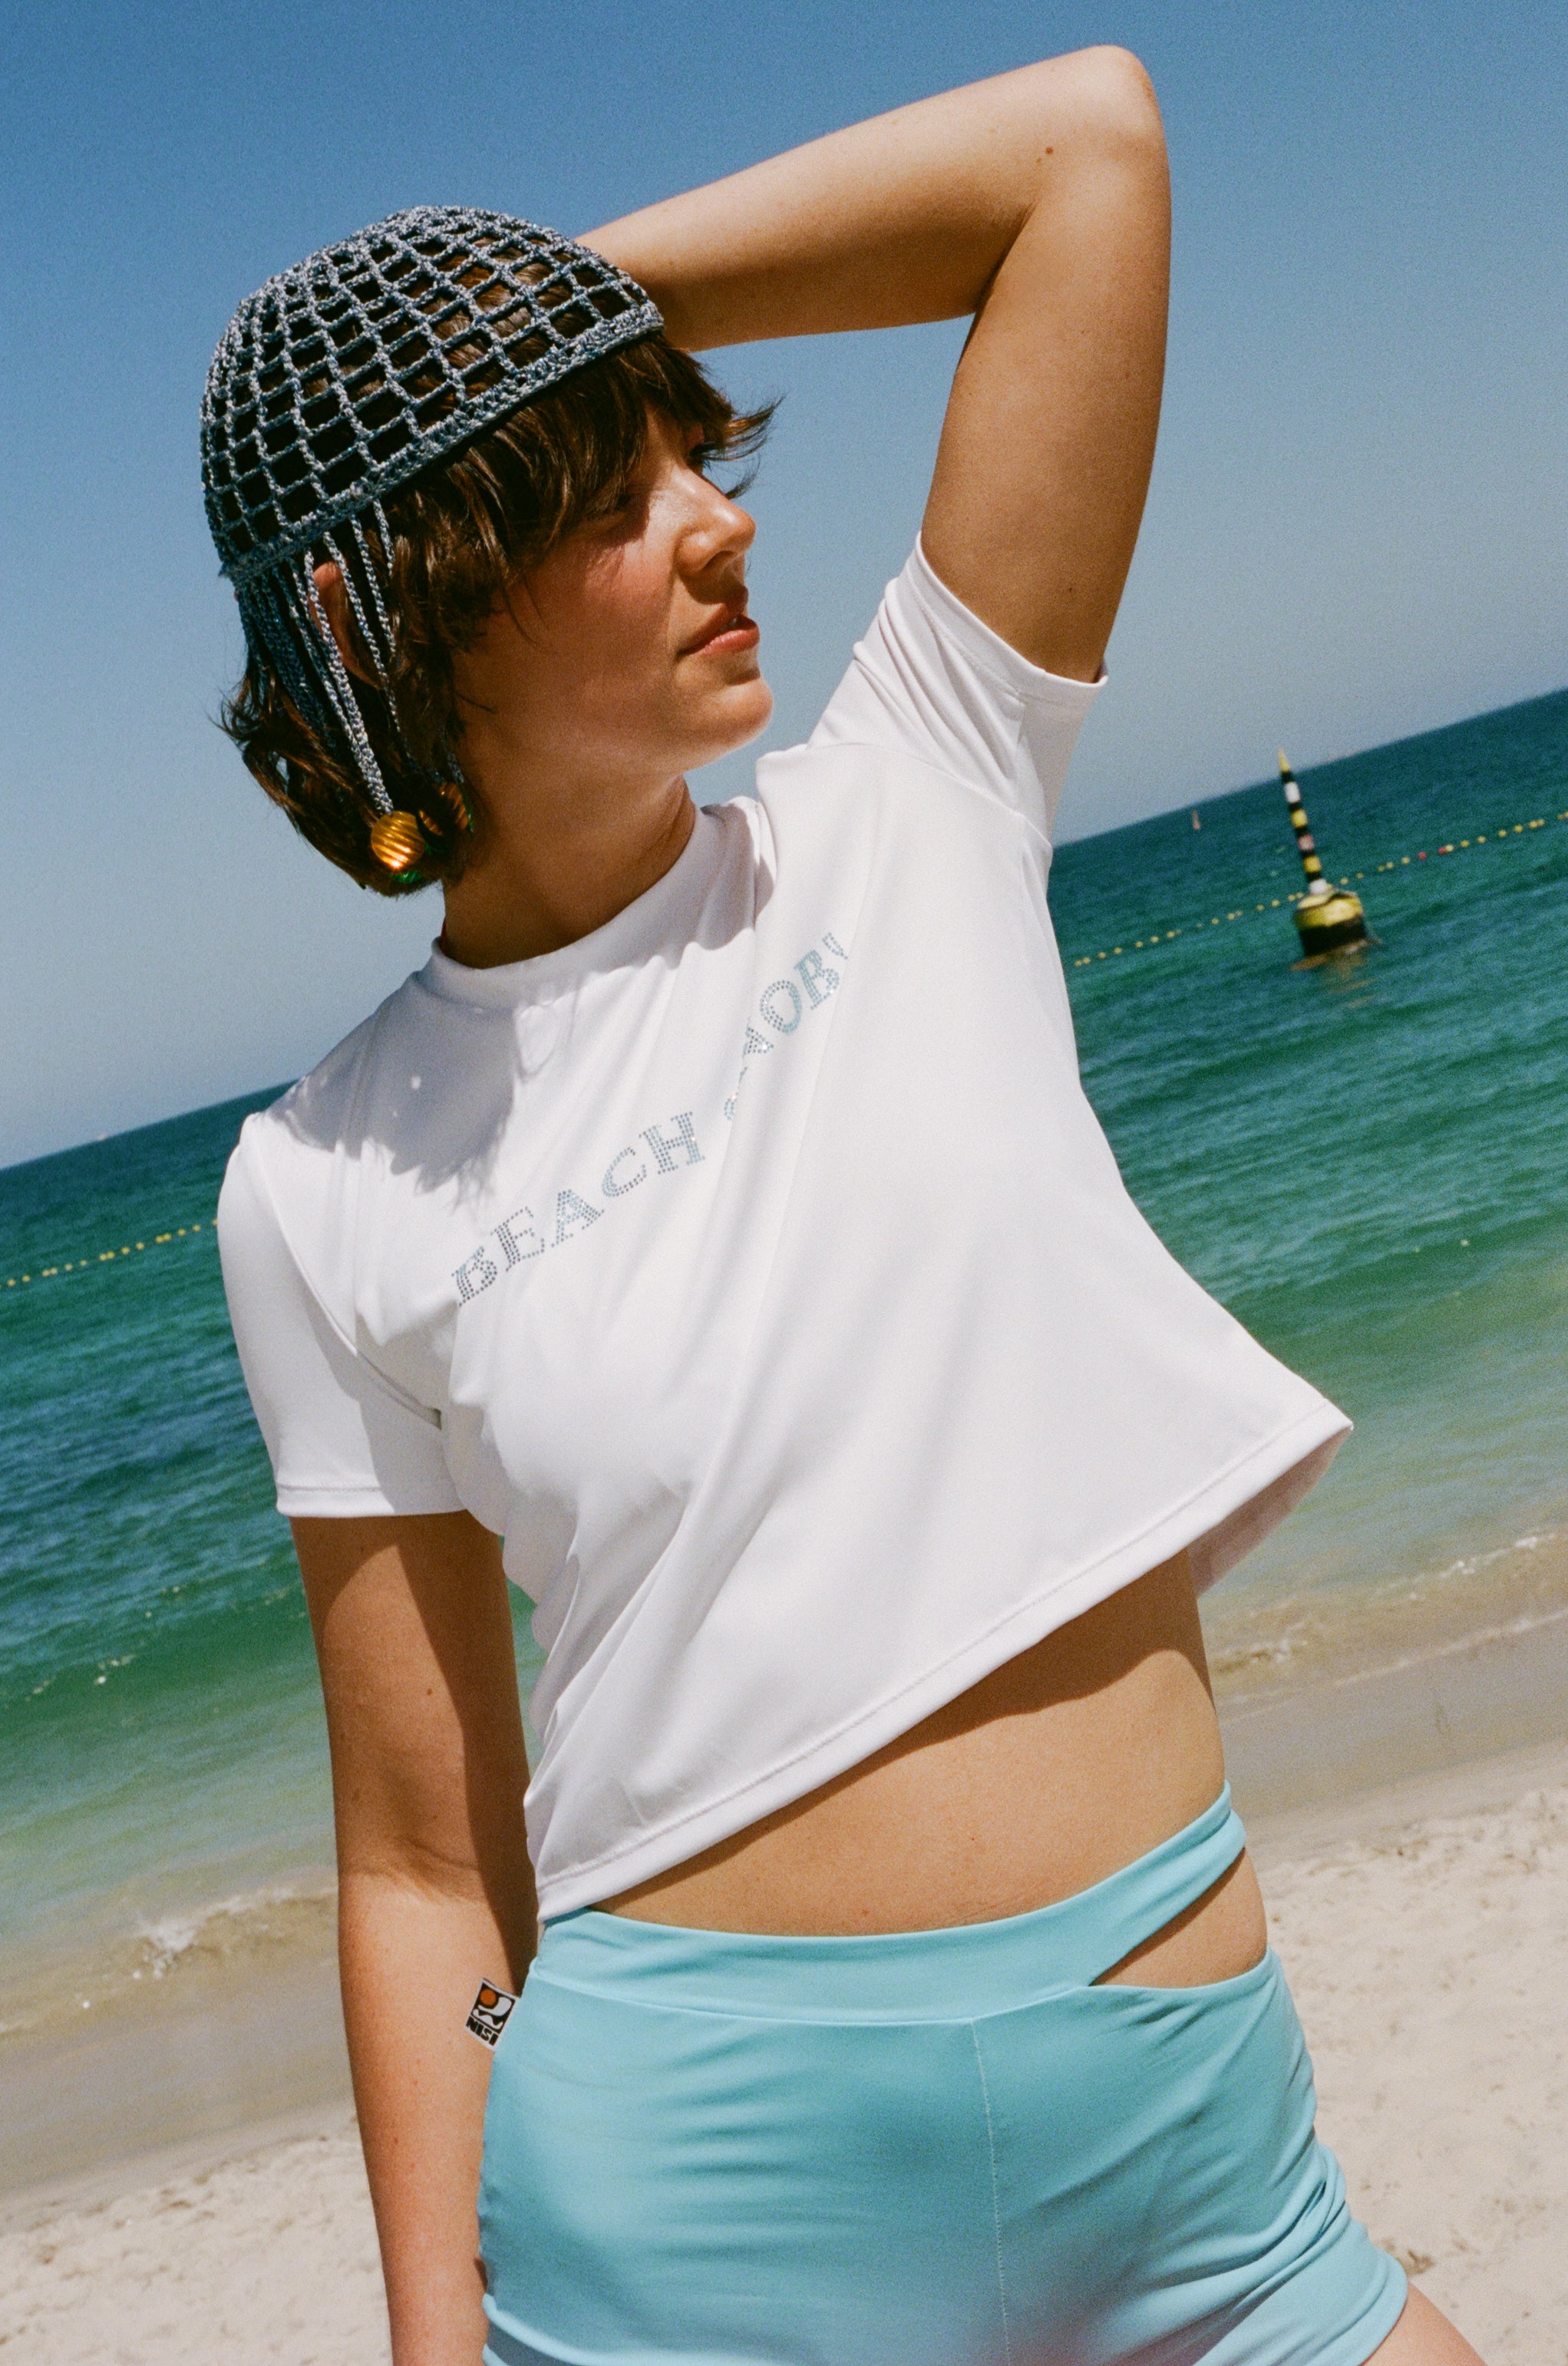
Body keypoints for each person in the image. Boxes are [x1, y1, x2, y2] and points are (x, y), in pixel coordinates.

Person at [206, 48, 1483, 2366]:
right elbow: (421, 1858)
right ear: (405, 604)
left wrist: (539, 323)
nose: (722, 522)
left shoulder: (921, 791)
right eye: (614, 492)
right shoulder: (317, 1182)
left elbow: (1083, 146)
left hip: (1206, 2177)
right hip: (702, 2233)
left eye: (696, 451)